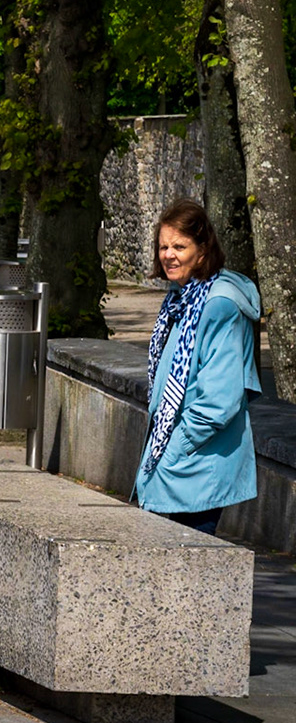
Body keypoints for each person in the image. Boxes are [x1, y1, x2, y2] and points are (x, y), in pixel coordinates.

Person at [134, 199, 261, 534]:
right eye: (163, 246)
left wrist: (177, 447)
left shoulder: (218, 304)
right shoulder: (182, 298)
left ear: (203, 250)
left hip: (196, 467)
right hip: (177, 464)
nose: (168, 255)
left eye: (180, 246)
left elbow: (220, 399)